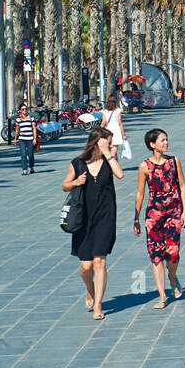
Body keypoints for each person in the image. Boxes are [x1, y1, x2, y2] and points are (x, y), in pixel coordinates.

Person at [62, 126, 124, 320]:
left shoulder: (109, 160)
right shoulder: (77, 163)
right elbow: (64, 185)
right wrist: (75, 183)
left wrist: (108, 153)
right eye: (109, 141)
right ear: (99, 140)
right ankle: (90, 289)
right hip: (83, 219)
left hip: (105, 217)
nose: (113, 144)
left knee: (100, 262)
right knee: (86, 267)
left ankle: (98, 305)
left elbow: (120, 174)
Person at [133, 128, 185, 309]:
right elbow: (140, 193)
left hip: (173, 212)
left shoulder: (174, 161)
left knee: (172, 254)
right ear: (152, 144)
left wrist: (184, 211)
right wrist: (136, 218)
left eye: (167, 140)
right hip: (153, 215)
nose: (166, 143)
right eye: (162, 140)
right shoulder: (144, 166)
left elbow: (182, 185)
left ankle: (172, 276)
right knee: (156, 256)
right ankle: (162, 295)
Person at [99, 93, 127, 160]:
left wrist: (99, 131)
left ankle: (115, 165)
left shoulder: (105, 111)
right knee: (114, 150)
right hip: (116, 130)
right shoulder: (117, 110)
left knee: (111, 150)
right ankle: (112, 166)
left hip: (107, 130)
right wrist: (123, 134)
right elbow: (120, 123)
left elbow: (103, 123)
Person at [14, 102, 38, 175]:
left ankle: (32, 167)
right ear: (20, 110)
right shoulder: (18, 120)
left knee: (30, 155)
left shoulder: (31, 118)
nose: (24, 110)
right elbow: (17, 130)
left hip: (30, 138)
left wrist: (35, 138)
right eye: (23, 109)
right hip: (22, 139)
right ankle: (24, 170)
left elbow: (34, 128)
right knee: (23, 154)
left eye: (25, 109)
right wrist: (15, 139)